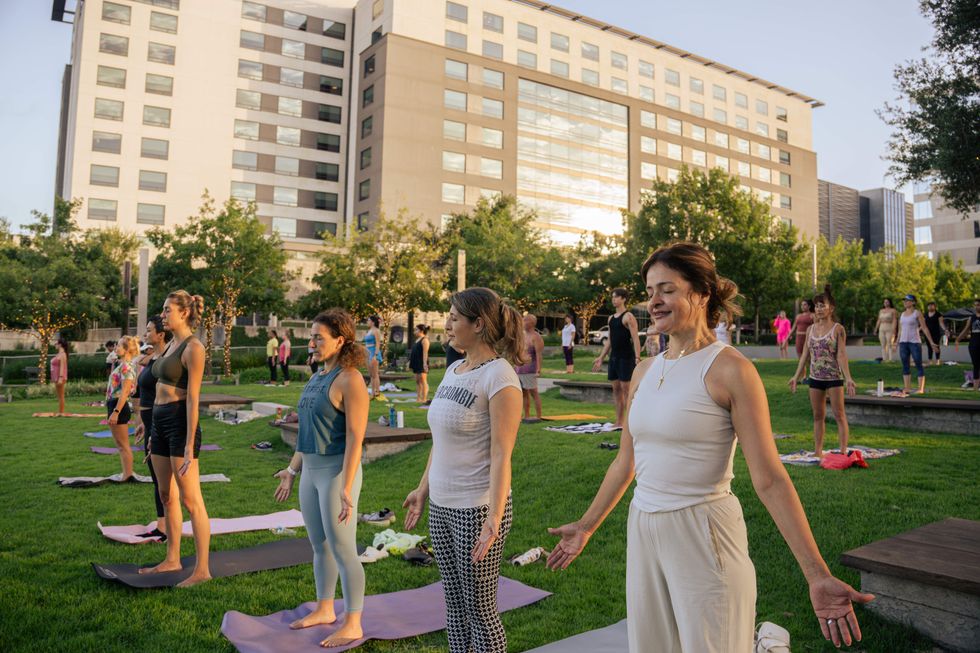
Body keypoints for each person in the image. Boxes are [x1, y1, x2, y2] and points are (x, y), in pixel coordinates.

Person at [546, 242, 873, 653]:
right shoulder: (645, 369)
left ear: (701, 293)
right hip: (643, 526)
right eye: (650, 291)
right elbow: (626, 460)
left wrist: (816, 574)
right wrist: (587, 525)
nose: (655, 301)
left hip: (704, 532)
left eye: (666, 289)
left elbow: (770, 478)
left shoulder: (731, 369)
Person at [402, 287, 524, 653]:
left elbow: (503, 454)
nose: (448, 324)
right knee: (454, 607)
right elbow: (441, 439)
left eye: (455, 317)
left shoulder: (500, 377)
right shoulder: (455, 368)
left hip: (477, 509)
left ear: (479, 324)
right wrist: (422, 489)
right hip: (441, 503)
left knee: (480, 609)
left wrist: (495, 516)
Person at [273, 308, 369, 647]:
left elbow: (357, 437)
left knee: (343, 549)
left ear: (340, 340)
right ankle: (325, 609)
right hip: (310, 472)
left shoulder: (350, 379)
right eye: (311, 336)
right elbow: (305, 433)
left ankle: (353, 621)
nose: (311, 342)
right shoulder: (316, 378)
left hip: (336, 473)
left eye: (318, 337)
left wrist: (346, 486)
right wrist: (291, 469)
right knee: (320, 547)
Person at [139, 290, 212, 587]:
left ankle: (203, 569)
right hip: (158, 421)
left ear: (183, 313)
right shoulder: (170, 346)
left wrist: (188, 441)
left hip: (180, 422)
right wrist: (149, 430)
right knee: (166, 495)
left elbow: (194, 397)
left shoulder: (194, 347)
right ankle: (172, 559)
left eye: (168, 309)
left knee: (191, 500)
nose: (163, 314)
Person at [789, 286, 857, 458]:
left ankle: (843, 450)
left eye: (822, 305)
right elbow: (805, 354)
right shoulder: (810, 329)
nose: (818, 309)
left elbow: (841, 355)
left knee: (839, 414)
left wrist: (848, 378)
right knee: (818, 415)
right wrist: (796, 376)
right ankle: (817, 451)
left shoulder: (838, 329)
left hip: (834, 378)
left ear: (831, 308)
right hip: (815, 378)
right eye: (816, 306)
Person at [132, 316, 171, 539]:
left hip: (159, 421)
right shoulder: (153, 357)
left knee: (161, 479)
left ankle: (165, 527)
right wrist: (142, 424)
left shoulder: (163, 360)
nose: (145, 334)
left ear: (160, 334)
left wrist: (152, 426)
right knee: (157, 479)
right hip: (149, 422)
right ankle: (162, 524)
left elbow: (162, 397)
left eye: (149, 331)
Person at [592, 288, 641, 429]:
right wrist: (601, 357)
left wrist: (637, 357)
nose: (614, 299)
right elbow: (610, 341)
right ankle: (619, 422)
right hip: (614, 358)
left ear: (623, 299)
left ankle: (629, 423)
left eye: (616, 297)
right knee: (616, 390)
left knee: (627, 391)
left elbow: (635, 338)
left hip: (626, 357)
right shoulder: (611, 318)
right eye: (612, 297)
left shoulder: (628, 316)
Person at [106, 336, 139, 481]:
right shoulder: (123, 364)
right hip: (114, 404)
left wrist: (116, 412)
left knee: (123, 445)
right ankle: (126, 473)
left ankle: (127, 475)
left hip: (118, 406)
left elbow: (125, 391)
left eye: (119, 345)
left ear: (126, 350)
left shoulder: (126, 366)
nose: (116, 348)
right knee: (121, 445)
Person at [895, 294, 939, 395]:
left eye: (907, 300)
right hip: (903, 343)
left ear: (913, 302)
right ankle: (907, 388)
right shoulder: (902, 314)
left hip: (914, 342)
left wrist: (931, 342)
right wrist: (896, 342)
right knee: (905, 365)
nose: (905, 302)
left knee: (918, 365)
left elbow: (924, 328)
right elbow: (900, 330)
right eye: (904, 300)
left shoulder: (917, 313)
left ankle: (921, 389)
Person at [514, 314, 545, 423]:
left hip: (530, 370)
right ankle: (526, 415)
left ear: (532, 323)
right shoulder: (521, 336)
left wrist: (538, 369)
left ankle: (538, 415)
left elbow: (539, 354)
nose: (523, 321)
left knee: (533, 393)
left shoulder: (536, 337)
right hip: (519, 369)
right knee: (523, 393)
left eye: (525, 320)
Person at [954, 298, 980, 391]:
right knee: (976, 365)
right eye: (976, 305)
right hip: (973, 344)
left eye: (978, 305)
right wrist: (958, 339)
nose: (977, 307)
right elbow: (965, 330)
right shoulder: (971, 318)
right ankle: (976, 388)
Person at [410, 324, 431, 403]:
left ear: (421, 331)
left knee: (423, 380)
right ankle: (418, 398)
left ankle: (424, 398)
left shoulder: (425, 340)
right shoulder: (417, 340)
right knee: (417, 381)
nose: (414, 332)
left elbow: (425, 353)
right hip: (416, 362)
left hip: (422, 363)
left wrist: (425, 364)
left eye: (416, 330)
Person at [364, 316, 383, 399]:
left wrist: (375, 355)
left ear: (373, 322)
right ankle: (372, 392)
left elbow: (378, 344)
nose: (367, 322)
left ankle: (377, 392)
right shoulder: (369, 331)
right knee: (371, 374)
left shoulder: (376, 331)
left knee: (375, 374)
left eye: (368, 320)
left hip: (373, 352)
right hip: (368, 352)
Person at [791, 299, 815, 364]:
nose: (802, 306)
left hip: (808, 338)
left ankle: (812, 373)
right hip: (798, 338)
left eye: (804, 305)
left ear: (809, 306)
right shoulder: (798, 316)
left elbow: (816, 327)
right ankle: (803, 374)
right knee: (800, 357)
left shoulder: (812, 315)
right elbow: (793, 328)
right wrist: (786, 340)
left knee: (809, 358)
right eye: (801, 305)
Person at [923, 302, 946, 366]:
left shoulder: (938, 314)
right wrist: (918, 329)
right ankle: (930, 360)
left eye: (931, 306)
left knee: (936, 346)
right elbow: (923, 324)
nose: (930, 307)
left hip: (936, 333)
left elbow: (941, 323)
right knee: (929, 347)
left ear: (935, 306)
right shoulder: (925, 314)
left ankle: (937, 360)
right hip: (927, 333)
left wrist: (945, 329)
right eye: (929, 306)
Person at [51, 337, 69, 415]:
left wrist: (60, 378)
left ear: (60, 345)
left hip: (60, 378)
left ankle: (61, 412)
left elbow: (62, 367)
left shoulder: (63, 354)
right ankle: (60, 411)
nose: (55, 345)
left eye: (56, 343)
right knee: (59, 396)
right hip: (56, 378)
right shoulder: (59, 354)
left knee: (61, 395)